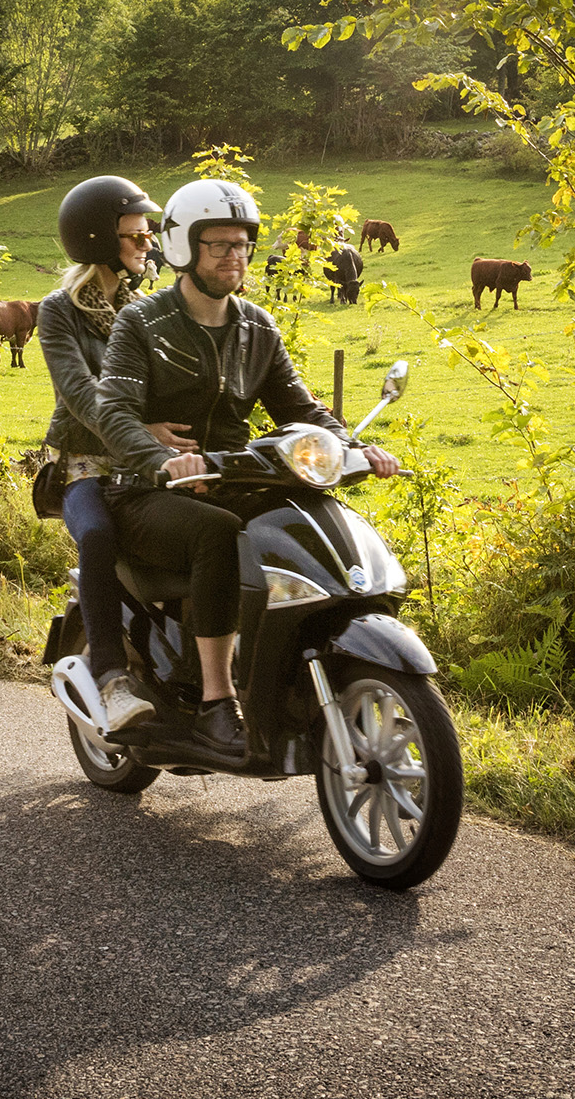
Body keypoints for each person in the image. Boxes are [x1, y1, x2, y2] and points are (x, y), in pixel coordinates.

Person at [89, 176, 400, 765]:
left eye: (242, 245)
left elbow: (299, 407)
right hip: (146, 490)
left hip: (231, 476)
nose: (235, 257)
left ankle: (288, 665)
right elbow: (115, 411)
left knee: (305, 514)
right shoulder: (143, 324)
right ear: (183, 248)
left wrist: (356, 446)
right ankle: (215, 704)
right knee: (214, 532)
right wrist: (161, 459)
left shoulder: (257, 326)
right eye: (220, 246)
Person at [35, 174, 177, 738]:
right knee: (97, 535)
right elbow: (81, 392)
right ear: (98, 240)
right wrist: (140, 428)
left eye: (149, 235)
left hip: (148, 463)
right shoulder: (58, 312)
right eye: (136, 236)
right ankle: (113, 677)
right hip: (87, 465)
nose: (148, 245)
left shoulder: (146, 311)